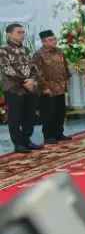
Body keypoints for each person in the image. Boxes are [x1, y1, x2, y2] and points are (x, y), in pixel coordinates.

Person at [0, 23, 41, 153]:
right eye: (19, 32)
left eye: (23, 32)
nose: (22, 35)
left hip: (28, 87)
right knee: (15, 117)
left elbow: (33, 67)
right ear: (10, 34)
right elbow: (7, 69)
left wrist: (33, 79)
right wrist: (25, 81)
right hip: (14, 88)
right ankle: (18, 143)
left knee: (29, 115)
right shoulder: (3, 50)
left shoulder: (25, 49)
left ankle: (26, 140)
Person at [32, 30, 71, 144]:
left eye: (54, 39)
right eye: (51, 40)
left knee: (60, 112)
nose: (54, 41)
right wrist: (44, 87)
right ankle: (48, 135)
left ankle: (59, 133)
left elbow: (65, 65)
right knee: (48, 113)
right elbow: (38, 72)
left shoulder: (59, 51)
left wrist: (67, 79)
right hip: (47, 89)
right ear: (44, 42)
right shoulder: (38, 54)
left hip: (60, 87)